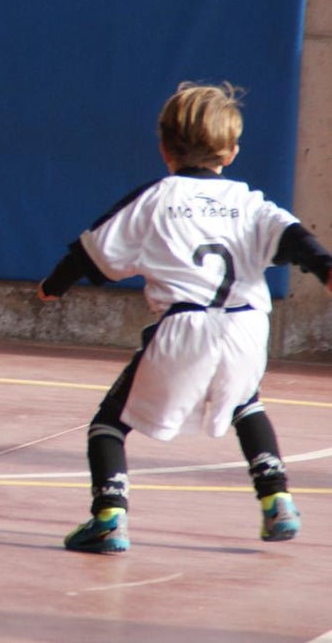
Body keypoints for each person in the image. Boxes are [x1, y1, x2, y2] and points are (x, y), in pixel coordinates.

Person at [37, 81, 332, 552]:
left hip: (184, 327)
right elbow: (297, 238)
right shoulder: (249, 202)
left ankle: (109, 517)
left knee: (108, 425)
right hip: (248, 327)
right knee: (246, 403)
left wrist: (51, 288)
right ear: (232, 151)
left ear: (164, 148)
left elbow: (90, 252)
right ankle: (278, 501)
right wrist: (326, 270)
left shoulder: (156, 197)